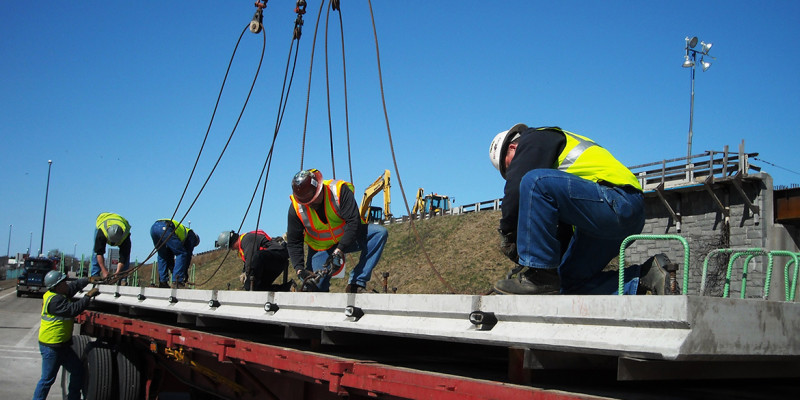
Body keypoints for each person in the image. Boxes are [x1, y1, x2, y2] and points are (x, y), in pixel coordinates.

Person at [489, 123, 673, 295]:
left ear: (513, 148)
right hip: (606, 218)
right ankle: (644, 277)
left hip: (618, 199)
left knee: (534, 182)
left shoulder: (536, 138)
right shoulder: (553, 184)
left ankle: (542, 277)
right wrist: (540, 257)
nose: (512, 173)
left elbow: (517, 187)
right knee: (567, 283)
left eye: (509, 168)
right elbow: (562, 233)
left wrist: (508, 232)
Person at [287, 169, 388, 293]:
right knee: (314, 290)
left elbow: (353, 221)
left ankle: (356, 283)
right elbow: (294, 241)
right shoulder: (296, 208)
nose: (311, 204)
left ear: (319, 189)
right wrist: (299, 269)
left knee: (379, 233)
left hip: (348, 238)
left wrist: (339, 250)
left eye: (313, 199)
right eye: (307, 202)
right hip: (321, 248)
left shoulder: (339, 191)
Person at [33, 270, 100, 400]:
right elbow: (73, 310)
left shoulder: (58, 293)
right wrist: (87, 297)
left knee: (77, 371)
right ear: (57, 286)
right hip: (51, 346)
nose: (66, 284)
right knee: (47, 380)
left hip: (61, 345)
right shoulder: (55, 301)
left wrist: (88, 280)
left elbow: (73, 287)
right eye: (63, 282)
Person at [216, 230, 293, 291]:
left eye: (230, 248)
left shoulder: (246, 240)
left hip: (278, 256)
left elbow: (250, 261)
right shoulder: (243, 245)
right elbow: (248, 261)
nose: (232, 249)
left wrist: (247, 275)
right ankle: (288, 287)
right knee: (256, 287)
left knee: (257, 258)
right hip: (272, 261)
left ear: (230, 244)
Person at [150, 219, 200, 288]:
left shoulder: (180, 234)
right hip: (166, 227)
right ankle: (177, 282)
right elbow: (187, 256)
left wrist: (175, 271)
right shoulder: (191, 236)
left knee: (162, 255)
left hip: (154, 228)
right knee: (182, 253)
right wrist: (183, 274)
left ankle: (163, 282)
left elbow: (170, 257)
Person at [91, 212, 131, 280]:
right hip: (103, 220)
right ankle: (95, 275)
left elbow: (123, 257)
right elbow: (99, 253)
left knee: (126, 255)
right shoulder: (102, 233)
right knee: (96, 252)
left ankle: (122, 278)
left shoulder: (125, 237)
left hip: (121, 222)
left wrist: (118, 272)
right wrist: (104, 271)